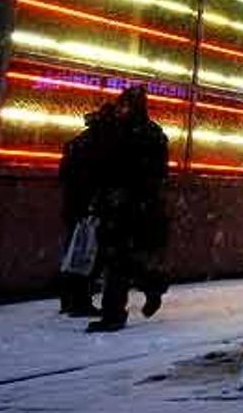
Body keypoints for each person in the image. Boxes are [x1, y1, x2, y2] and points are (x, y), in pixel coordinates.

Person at [88, 86, 169, 333]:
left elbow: (110, 166)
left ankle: (115, 312)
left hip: (129, 207)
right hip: (130, 206)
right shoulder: (147, 133)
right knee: (121, 259)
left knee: (119, 259)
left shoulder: (132, 132)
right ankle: (145, 289)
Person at [57, 101, 116, 317]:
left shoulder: (78, 141)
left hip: (74, 205)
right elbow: (103, 177)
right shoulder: (102, 144)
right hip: (90, 208)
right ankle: (81, 301)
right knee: (88, 255)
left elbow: (63, 175)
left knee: (72, 252)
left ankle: (67, 299)